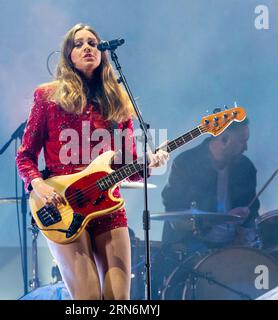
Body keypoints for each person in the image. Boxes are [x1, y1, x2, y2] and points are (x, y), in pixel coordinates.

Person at [16, 23, 168, 300]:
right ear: (68, 55)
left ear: (102, 53)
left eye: (93, 43)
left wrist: (147, 165)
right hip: (63, 205)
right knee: (87, 300)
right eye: (79, 44)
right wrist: (39, 186)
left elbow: (126, 167)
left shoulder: (117, 102)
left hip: (107, 205)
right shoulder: (48, 97)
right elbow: (25, 155)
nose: (87, 48)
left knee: (118, 301)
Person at [161, 118, 260, 255]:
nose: (246, 147)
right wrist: (222, 218)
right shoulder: (185, 163)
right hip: (190, 249)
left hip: (232, 249)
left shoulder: (246, 167)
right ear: (225, 139)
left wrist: (244, 231)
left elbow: (252, 214)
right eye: (242, 141)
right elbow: (175, 216)